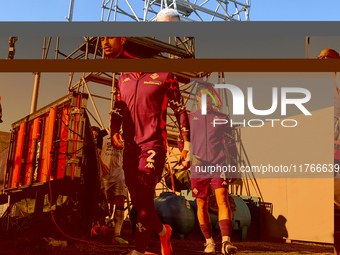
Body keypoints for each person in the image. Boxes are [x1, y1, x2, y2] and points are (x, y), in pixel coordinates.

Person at [101, 37, 190, 255]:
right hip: (130, 147)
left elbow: (180, 110)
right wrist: (114, 130)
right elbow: (118, 108)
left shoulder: (165, 76)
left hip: (153, 145)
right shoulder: (123, 79)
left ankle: (138, 251)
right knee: (140, 203)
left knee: (144, 193)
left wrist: (185, 144)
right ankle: (162, 231)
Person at [185, 81, 237, 255]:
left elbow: (230, 143)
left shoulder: (222, 118)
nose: (206, 100)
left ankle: (225, 242)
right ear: (198, 98)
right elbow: (183, 140)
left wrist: (234, 167)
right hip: (198, 166)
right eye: (202, 97)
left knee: (222, 199)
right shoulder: (191, 118)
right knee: (201, 203)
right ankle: (209, 242)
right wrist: (186, 155)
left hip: (218, 163)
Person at [92, 126, 129, 244]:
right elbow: (96, 152)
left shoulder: (124, 136)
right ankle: (99, 227)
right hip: (105, 175)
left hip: (118, 174)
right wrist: (101, 164)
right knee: (102, 201)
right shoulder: (102, 134)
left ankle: (117, 234)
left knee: (120, 201)